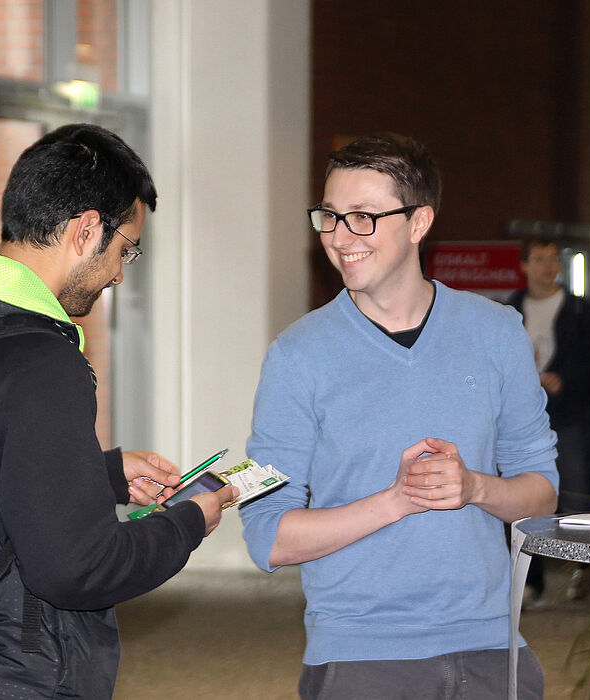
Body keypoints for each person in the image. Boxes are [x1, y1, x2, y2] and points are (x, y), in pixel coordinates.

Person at [0, 124, 237, 699]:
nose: (118, 273)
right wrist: (188, 523)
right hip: (4, 672)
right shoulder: (40, 360)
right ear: (87, 230)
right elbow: (76, 570)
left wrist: (103, 473)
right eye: (125, 250)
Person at [239, 132, 558, 700]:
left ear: (419, 222)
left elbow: (541, 495)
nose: (340, 238)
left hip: (491, 649)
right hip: (360, 656)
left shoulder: (496, 332)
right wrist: (396, 500)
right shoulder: (298, 355)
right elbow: (270, 536)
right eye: (330, 217)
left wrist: (475, 487)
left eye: (363, 217)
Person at [507, 237, 590, 602]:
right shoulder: (512, 308)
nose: (548, 266)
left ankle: (584, 570)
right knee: (525, 498)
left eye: (553, 259)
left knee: (576, 497)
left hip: (569, 416)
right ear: (524, 266)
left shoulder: (580, 309)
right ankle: (531, 582)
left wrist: (565, 378)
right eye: (539, 259)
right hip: (524, 417)